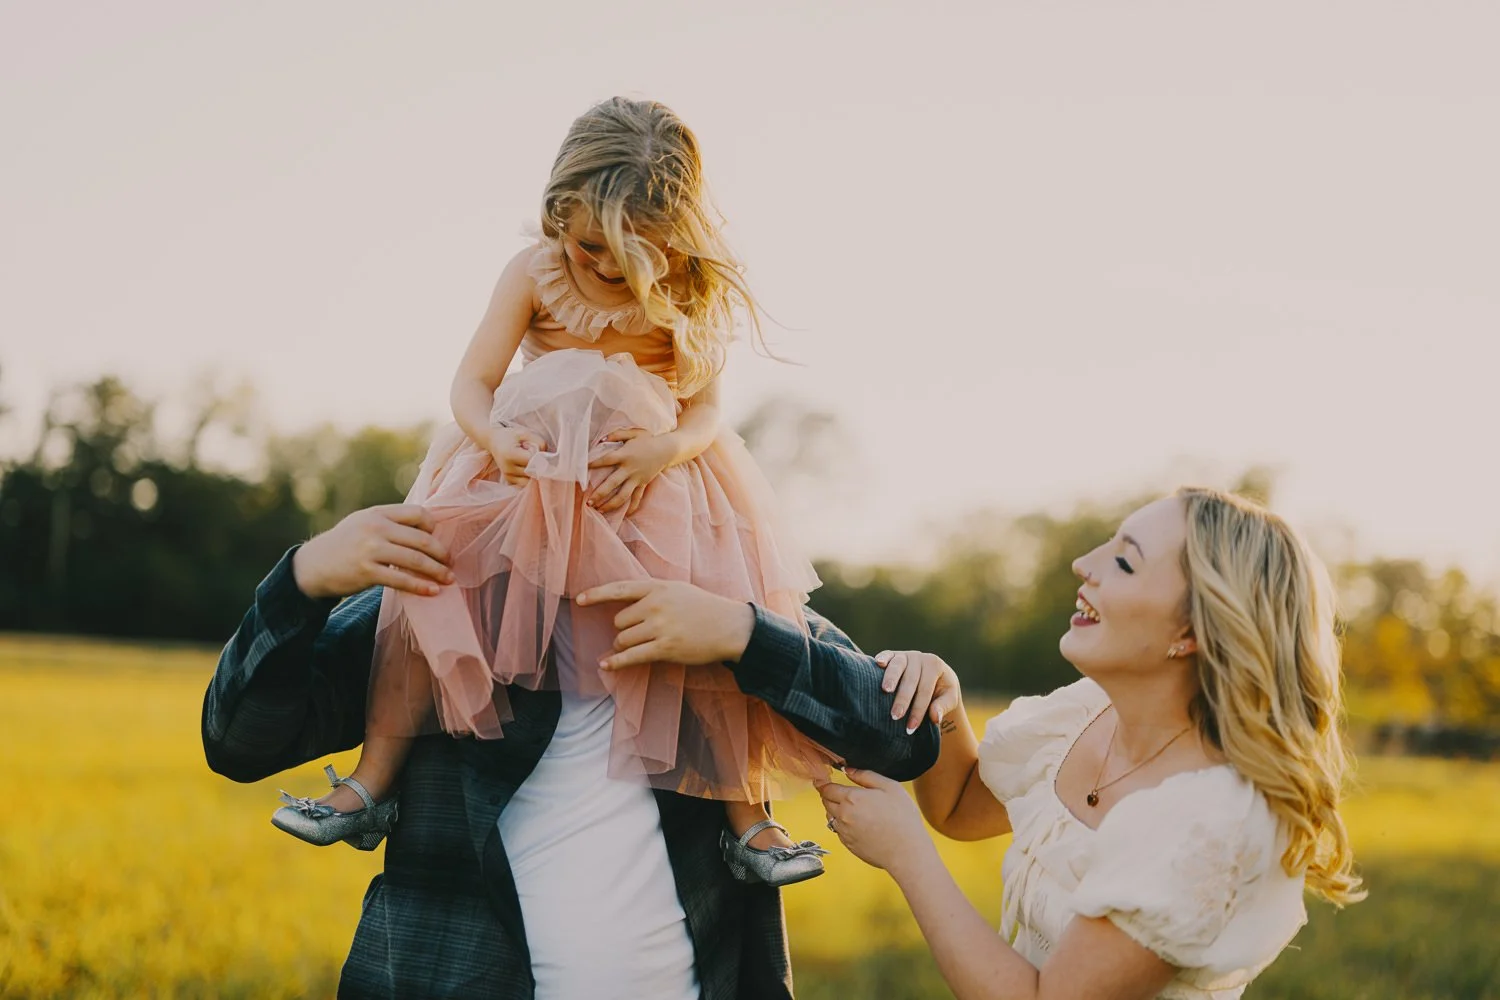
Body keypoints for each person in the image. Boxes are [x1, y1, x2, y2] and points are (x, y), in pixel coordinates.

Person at [269, 96, 836, 888]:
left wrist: (667, 445)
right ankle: (372, 782)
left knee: (713, 612)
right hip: (522, 471)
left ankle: (750, 818)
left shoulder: (692, 290)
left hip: (646, 483)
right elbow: (473, 381)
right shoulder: (532, 272)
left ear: (680, 237)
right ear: (555, 212)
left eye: (637, 254)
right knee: (424, 591)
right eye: (590, 244)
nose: (606, 267)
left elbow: (706, 403)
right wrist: (493, 437)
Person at [202, 502, 939, 998]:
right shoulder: (442, 605)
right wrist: (305, 577)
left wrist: (746, 635)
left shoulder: (717, 598)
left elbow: (904, 740)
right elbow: (237, 740)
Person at [817, 488, 1365, 1000]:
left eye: (1124, 561)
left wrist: (909, 858)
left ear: (1191, 632)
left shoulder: (1207, 821)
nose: (1084, 564)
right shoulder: (1085, 713)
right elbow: (959, 808)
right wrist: (943, 704)